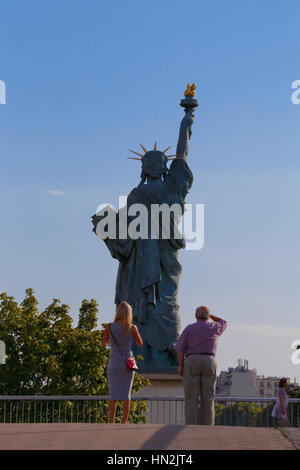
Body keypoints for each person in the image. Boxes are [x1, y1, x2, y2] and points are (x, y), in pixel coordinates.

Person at [175, 306, 227, 425]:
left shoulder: (189, 328)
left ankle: (191, 426)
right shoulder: (214, 327)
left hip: (192, 360)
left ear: (195, 316)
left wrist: (180, 366)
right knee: (208, 398)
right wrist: (211, 316)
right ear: (208, 317)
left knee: (191, 397)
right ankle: (207, 427)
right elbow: (223, 322)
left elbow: (180, 348)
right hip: (209, 360)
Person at [102, 301, 143, 424]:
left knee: (113, 394)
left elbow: (103, 344)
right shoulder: (132, 328)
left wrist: (112, 343)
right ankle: (124, 422)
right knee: (126, 395)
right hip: (127, 362)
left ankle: (112, 421)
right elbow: (140, 343)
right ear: (129, 313)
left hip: (114, 361)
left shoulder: (109, 326)